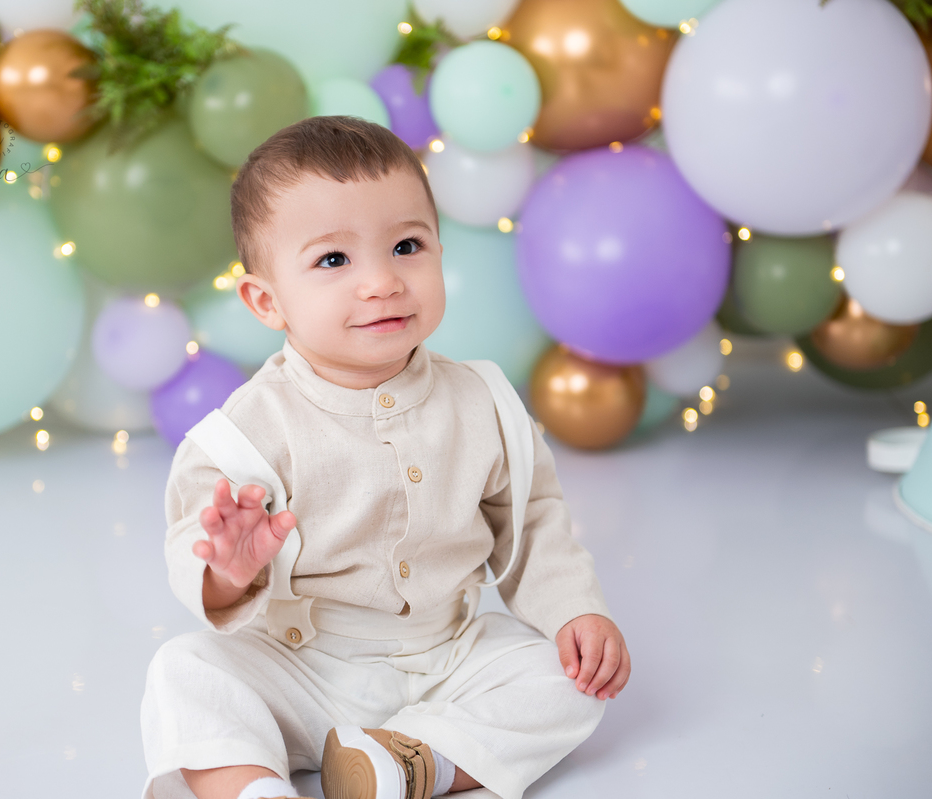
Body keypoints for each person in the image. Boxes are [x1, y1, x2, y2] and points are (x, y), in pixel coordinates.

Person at [140, 116, 630, 799]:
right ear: (266, 300)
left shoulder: (482, 401)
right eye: (333, 260)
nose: (381, 281)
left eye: (406, 246)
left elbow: (535, 521)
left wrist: (575, 610)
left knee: (569, 682)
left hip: (447, 656)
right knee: (185, 671)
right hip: (299, 663)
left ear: (439, 250)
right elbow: (192, 538)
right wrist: (228, 571)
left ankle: (402, 761)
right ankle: (254, 788)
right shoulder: (245, 432)